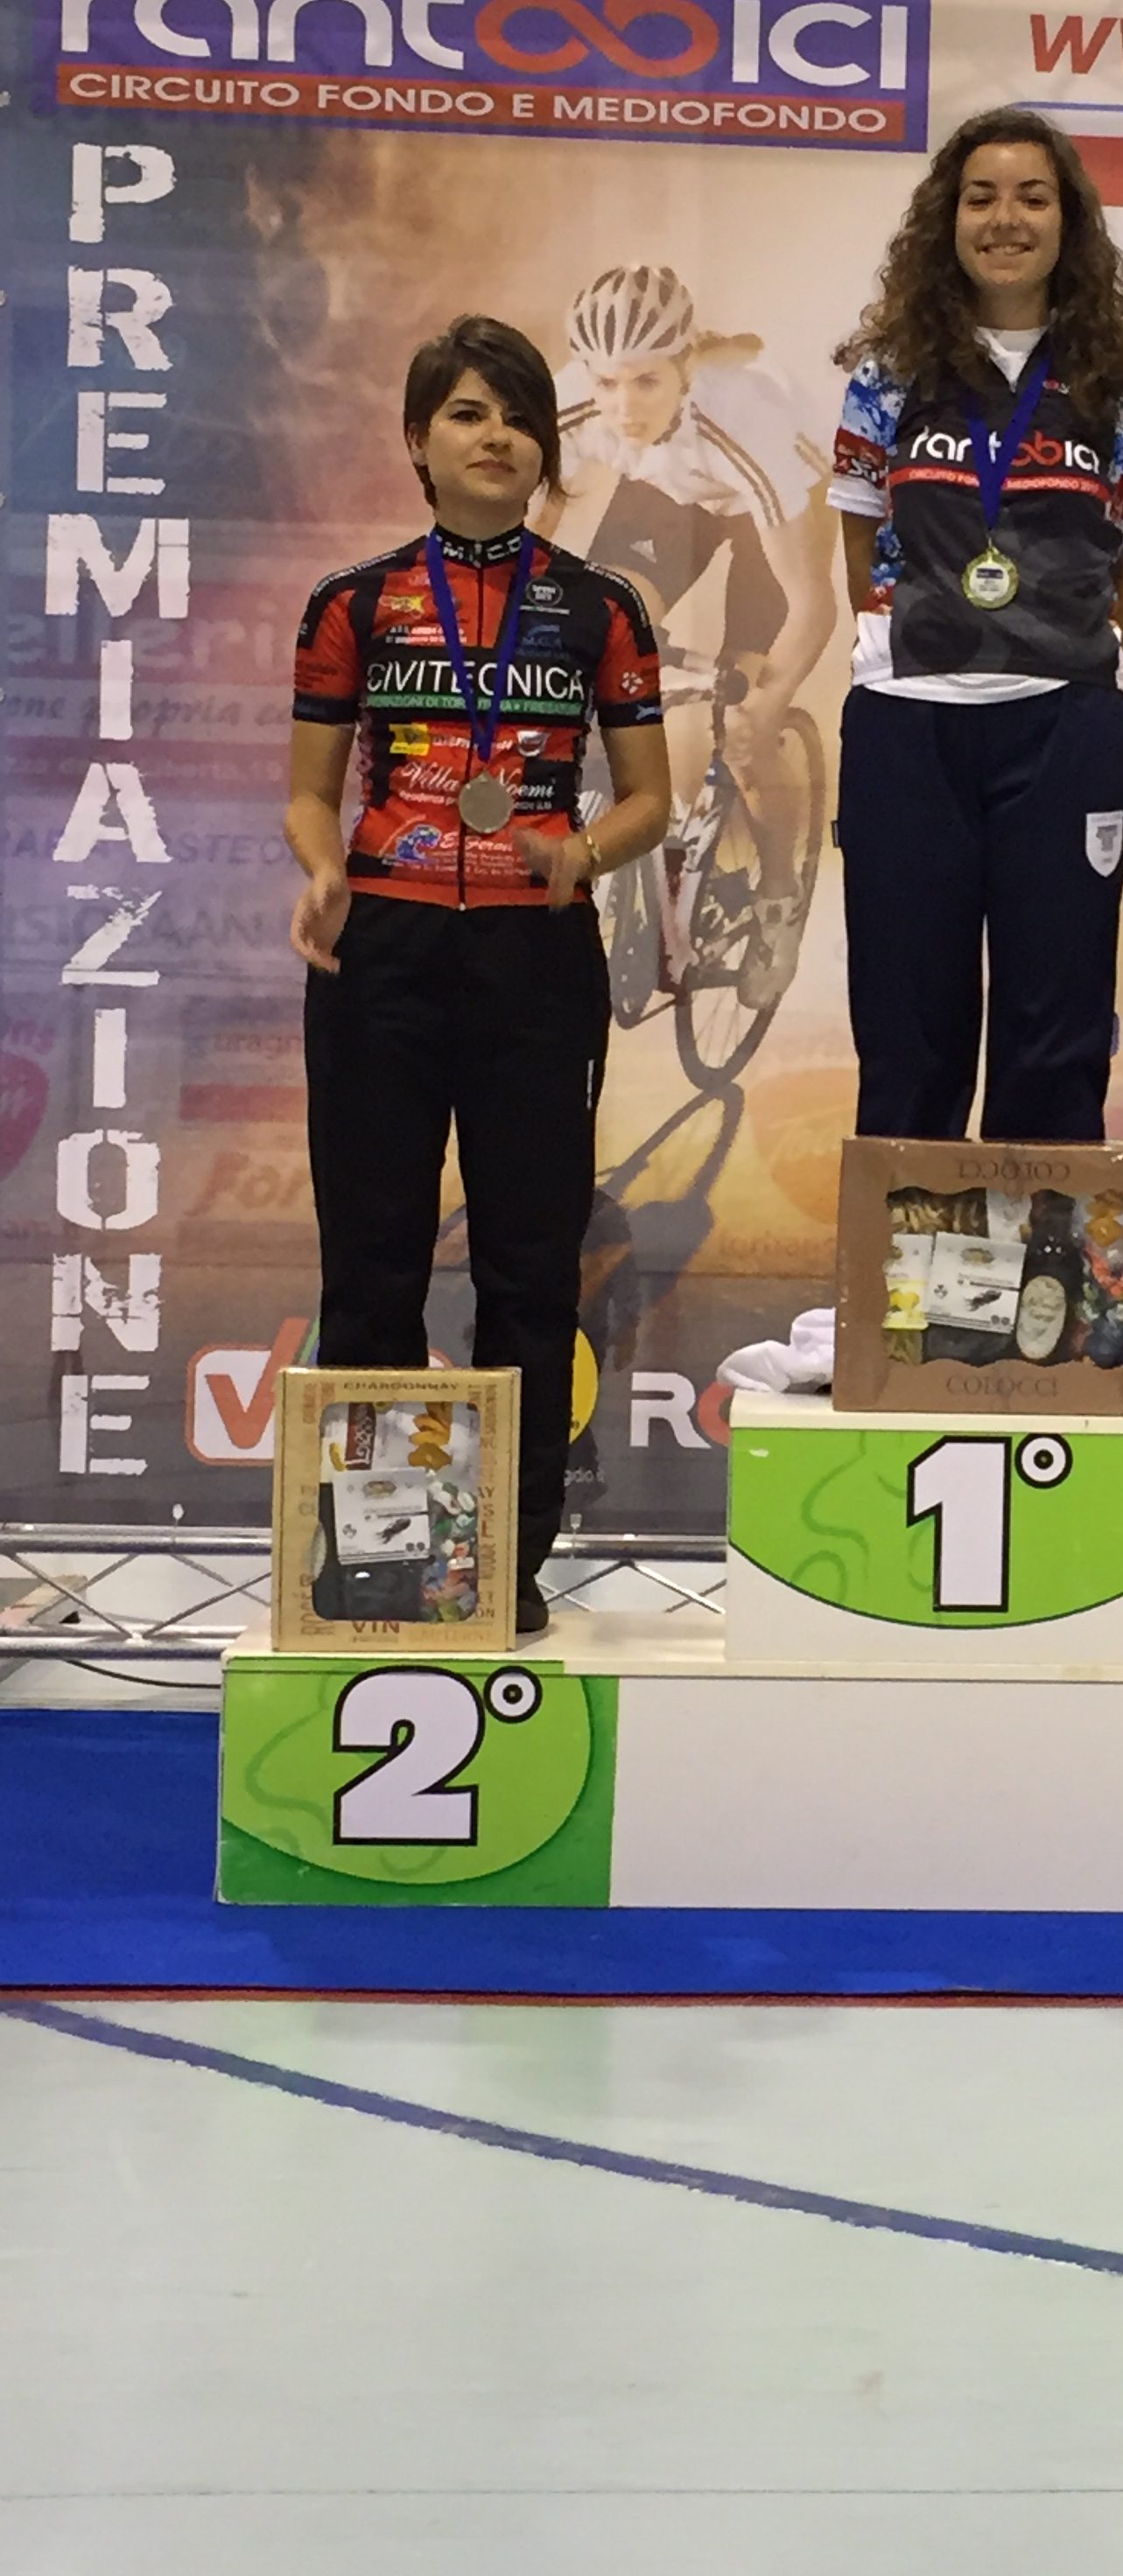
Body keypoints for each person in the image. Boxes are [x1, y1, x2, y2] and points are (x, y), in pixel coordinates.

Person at [286, 314, 672, 1635]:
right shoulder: (352, 603)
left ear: (547, 448)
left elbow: (650, 800)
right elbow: (309, 794)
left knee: (529, 1272)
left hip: (534, 958)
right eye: (466, 412)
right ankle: (374, 1559)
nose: (495, 435)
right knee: (372, 1267)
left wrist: (584, 850)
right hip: (383, 952)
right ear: (418, 440)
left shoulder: (602, 607)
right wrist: (321, 870)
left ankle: (503, 1566)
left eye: (517, 416)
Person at [825, 105, 1123, 1141]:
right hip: (906, 723)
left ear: (1069, 221)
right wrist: (919, 639)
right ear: (949, 219)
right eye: (980, 198)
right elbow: (859, 540)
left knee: (1054, 1036)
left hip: (1062, 729)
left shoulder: (1121, 386)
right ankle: (908, 1251)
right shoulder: (887, 375)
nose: (1005, 219)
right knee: (909, 1034)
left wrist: (1067, 654)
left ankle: (1042, 1251)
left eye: (1032, 197)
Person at [547, 263, 838, 1010]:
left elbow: (813, 605)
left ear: (685, 367)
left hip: (770, 502)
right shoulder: (574, 402)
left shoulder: (749, 422)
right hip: (670, 492)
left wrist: (763, 707)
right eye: (607, 383)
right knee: (602, 632)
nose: (623, 407)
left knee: (743, 724)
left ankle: (777, 898)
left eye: (646, 381)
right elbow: (525, 546)